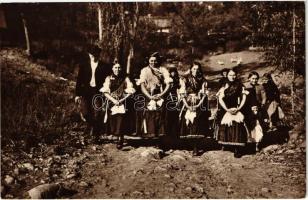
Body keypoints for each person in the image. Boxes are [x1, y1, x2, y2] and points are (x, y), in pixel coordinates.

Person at [75, 44, 111, 143]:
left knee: (98, 113)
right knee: (86, 113)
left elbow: (108, 81)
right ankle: (94, 128)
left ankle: (95, 136)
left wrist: (107, 92)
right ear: (89, 54)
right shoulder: (83, 65)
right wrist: (77, 94)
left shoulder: (105, 66)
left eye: (95, 54)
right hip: (86, 92)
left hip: (98, 92)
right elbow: (79, 80)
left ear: (98, 55)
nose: (93, 56)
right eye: (91, 54)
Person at [100, 61, 136, 149]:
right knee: (114, 120)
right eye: (115, 67)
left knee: (121, 119)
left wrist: (122, 100)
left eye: (119, 67)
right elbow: (105, 92)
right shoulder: (108, 78)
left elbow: (130, 91)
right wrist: (113, 100)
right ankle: (116, 136)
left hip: (123, 101)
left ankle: (120, 138)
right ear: (112, 69)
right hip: (112, 102)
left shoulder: (126, 78)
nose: (117, 69)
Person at [137, 52, 172, 138]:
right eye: (151, 60)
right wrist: (149, 96)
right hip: (148, 94)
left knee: (160, 115)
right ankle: (150, 136)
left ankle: (160, 137)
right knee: (149, 115)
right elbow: (142, 86)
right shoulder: (144, 70)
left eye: (155, 61)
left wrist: (161, 94)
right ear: (148, 61)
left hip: (160, 94)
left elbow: (169, 84)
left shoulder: (163, 70)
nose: (153, 62)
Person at [178, 62, 210, 156]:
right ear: (191, 69)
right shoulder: (185, 79)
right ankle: (191, 145)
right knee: (189, 122)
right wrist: (187, 105)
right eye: (194, 69)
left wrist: (199, 104)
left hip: (199, 103)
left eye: (197, 69)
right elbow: (182, 93)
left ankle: (196, 146)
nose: (195, 71)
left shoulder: (202, 80)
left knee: (197, 123)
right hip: (187, 102)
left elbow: (204, 94)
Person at [217, 68, 249, 158]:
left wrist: (239, 108)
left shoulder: (240, 85)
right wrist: (227, 109)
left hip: (237, 108)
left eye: (234, 75)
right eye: (230, 75)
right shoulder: (224, 85)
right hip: (226, 108)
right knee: (227, 126)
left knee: (237, 127)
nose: (232, 77)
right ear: (227, 75)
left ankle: (237, 149)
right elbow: (220, 99)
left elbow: (244, 98)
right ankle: (227, 144)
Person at [243, 71, 267, 151]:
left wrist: (261, 106)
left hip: (258, 108)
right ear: (249, 78)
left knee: (258, 126)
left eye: (256, 79)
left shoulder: (260, 87)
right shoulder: (245, 86)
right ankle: (248, 142)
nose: (254, 80)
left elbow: (264, 98)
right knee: (248, 125)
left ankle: (257, 144)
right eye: (253, 78)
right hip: (247, 109)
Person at [164, 66, 181, 148]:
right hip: (168, 101)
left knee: (176, 120)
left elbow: (179, 91)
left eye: (174, 72)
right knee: (167, 120)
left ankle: (175, 140)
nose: (173, 73)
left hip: (175, 101)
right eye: (171, 72)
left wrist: (178, 101)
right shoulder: (166, 81)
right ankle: (168, 139)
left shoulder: (178, 81)